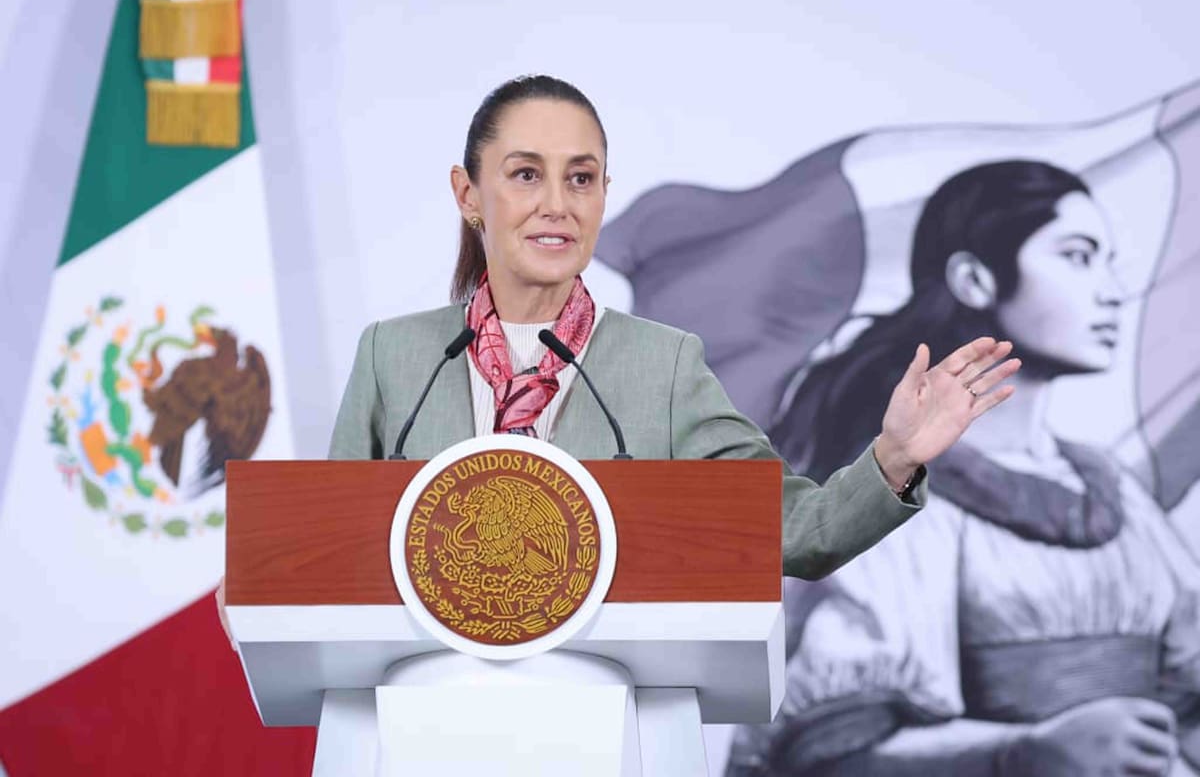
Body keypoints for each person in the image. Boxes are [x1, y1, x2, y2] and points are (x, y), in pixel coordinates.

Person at [322, 74, 1019, 581]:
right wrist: (274, 577)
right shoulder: (394, 359)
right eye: (526, 175)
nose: (558, 205)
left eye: (583, 178)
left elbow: (797, 532)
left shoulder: (665, 367)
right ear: (468, 195)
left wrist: (894, 457)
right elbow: (330, 552)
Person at [727, 160, 1200, 775]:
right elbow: (832, 748)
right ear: (975, 279)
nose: (1111, 290)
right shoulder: (906, 494)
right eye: (1079, 257)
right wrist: (1027, 752)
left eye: (1110, 261)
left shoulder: (1112, 493)